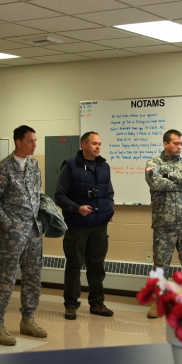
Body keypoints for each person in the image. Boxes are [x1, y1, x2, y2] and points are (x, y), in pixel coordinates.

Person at [0, 125, 46, 346]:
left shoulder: (34, 165)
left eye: (35, 140)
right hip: (13, 235)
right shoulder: (2, 168)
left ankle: (28, 319)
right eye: (31, 141)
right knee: (5, 278)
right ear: (18, 142)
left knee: (33, 278)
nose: (34, 145)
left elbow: (37, 194)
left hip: (34, 232)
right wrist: (8, 225)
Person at [54, 131, 115, 320]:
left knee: (97, 265)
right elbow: (59, 195)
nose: (98, 147)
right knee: (74, 265)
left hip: (99, 225)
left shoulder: (104, 167)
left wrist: (108, 209)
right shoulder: (71, 166)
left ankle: (97, 303)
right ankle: (71, 305)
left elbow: (109, 193)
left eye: (100, 144)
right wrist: (77, 208)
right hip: (77, 225)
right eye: (94, 143)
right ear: (83, 145)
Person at [145, 129, 182, 319]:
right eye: (176, 143)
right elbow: (156, 184)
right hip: (164, 223)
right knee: (160, 265)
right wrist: (180, 182)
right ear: (165, 144)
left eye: (181, 144)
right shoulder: (153, 163)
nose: (179, 147)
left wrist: (169, 176)